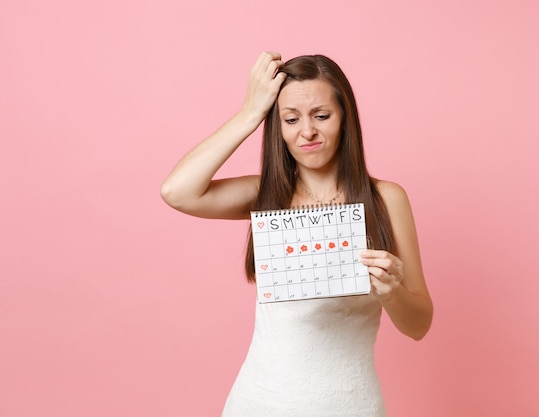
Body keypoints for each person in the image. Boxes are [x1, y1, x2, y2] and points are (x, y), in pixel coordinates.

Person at [160, 51, 433, 417]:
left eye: (322, 116)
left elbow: (419, 325)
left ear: (345, 119)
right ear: (278, 128)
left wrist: (391, 291)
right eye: (290, 119)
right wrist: (250, 113)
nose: (307, 131)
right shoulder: (266, 196)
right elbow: (177, 191)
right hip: (258, 402)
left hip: (350, 404)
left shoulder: (386, 199)